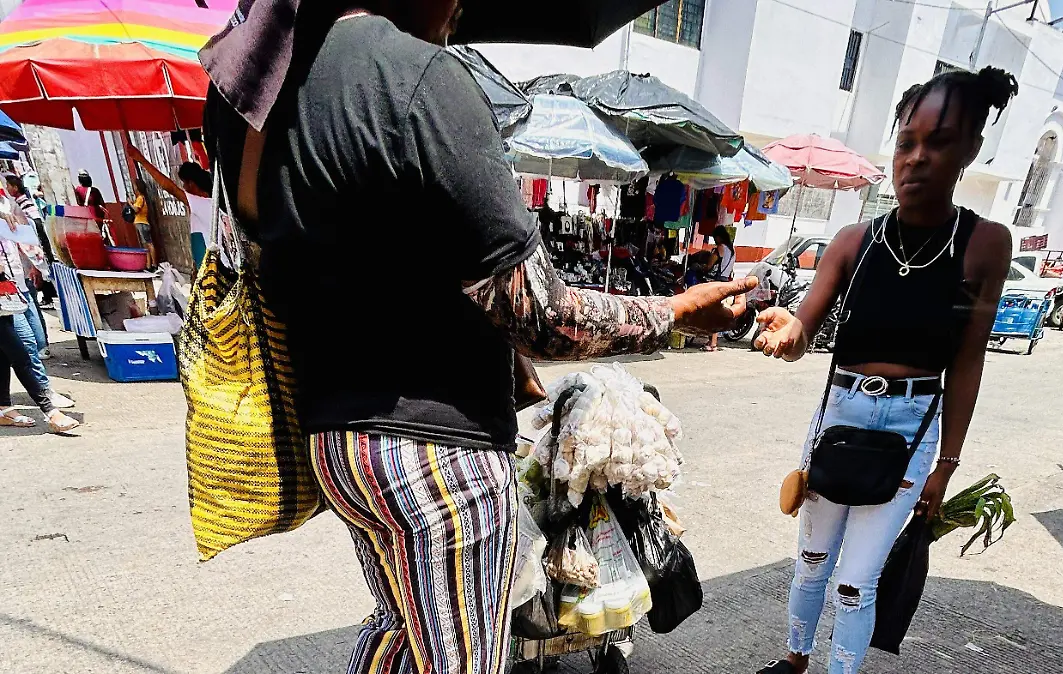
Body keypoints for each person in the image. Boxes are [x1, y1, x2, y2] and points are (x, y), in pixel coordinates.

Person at [199, 3, 756, 673]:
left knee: (400, 630)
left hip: (339, 447)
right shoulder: (418, 79)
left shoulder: (253, 89)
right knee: (462, 660)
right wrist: (677, 312)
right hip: (437, 455)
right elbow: (541, 315)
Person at [752, 66, 1017, 674]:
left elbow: (968, 360)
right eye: (906, 142)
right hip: (838, 414)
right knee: (812, 562)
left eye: (939, 142)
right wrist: (785, 330)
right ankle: (794, 662)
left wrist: (945, 466)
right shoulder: (852, 240)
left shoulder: (984, 245)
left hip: (913, 428)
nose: (916, 159)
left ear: (971, 149)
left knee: (855, 581)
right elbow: (803, 328)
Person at [0, 195, 78, 433]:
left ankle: (4, 409)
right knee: (20, 352)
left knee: (4, 355)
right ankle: (50, 412)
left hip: (7, 293)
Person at [125, 146, 212, 271]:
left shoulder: (203, 204)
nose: (184, 187)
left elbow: (170, 188)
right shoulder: (205, 205)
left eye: (185, 183)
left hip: (212, 270)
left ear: (191, 184)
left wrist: (141, 160)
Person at [5, 174, 55, 306]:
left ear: (15, 187)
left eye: (8, 186)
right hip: (32, 246)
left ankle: (49, 296)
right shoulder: (19, 203)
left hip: (33, 245)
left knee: (41, 273)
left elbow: (36, 223)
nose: (6, 189)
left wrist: (37, 244)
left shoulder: (22, 204)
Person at [704, 226, 736, 351]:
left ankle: (712, 343)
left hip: (716, 282)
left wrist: (701, 266)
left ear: (719, 237)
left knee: (713, 312)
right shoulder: (732, 249)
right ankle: (712, 341)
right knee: (716, 311)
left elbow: (709, 266)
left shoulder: (720, 249)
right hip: (726, 281)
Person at [129, 177, 157, 266]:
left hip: (142, 223)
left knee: (148, 244)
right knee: (146, 245)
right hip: (141, 223)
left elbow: (136, 210)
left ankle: (154, 264)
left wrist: (130, 203)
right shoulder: (139, 198)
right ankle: (148, 264)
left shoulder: (140, 198)